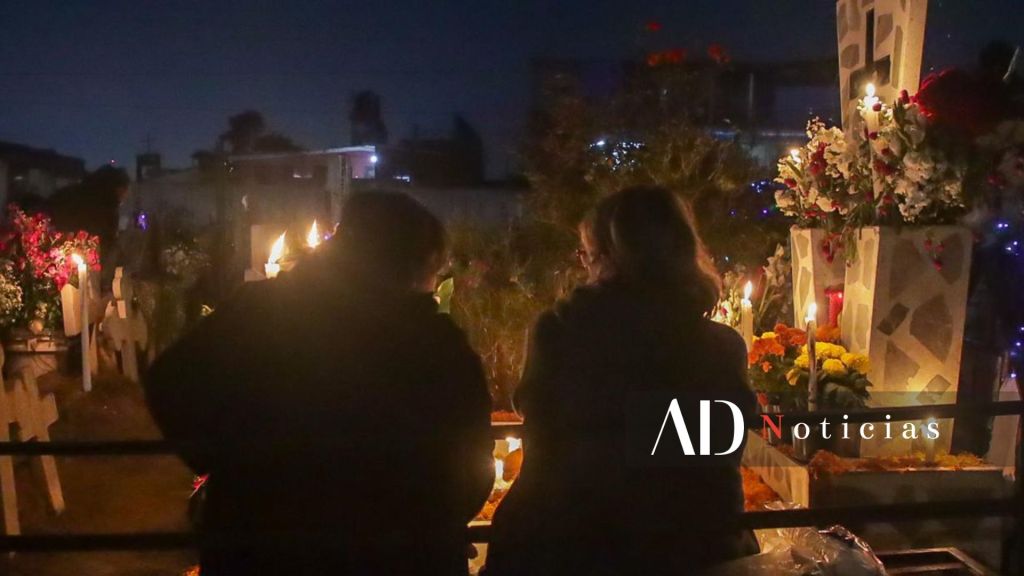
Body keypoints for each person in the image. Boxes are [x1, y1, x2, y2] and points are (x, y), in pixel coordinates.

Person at [145, 192, 494, 575]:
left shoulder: (259, 312)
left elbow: (172, 383)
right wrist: (428, 513)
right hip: (396, 553)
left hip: (263, 541)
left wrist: (228, 463)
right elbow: (473, 463)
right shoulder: (434, 345)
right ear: (416, 265)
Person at [485, 186, 758, 576]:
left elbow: (553, 443)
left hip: (567, 547)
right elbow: (706, 467)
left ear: (605, 257)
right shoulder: (717, 349)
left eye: (587, 253)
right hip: (687, 548)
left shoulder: (560, 336)